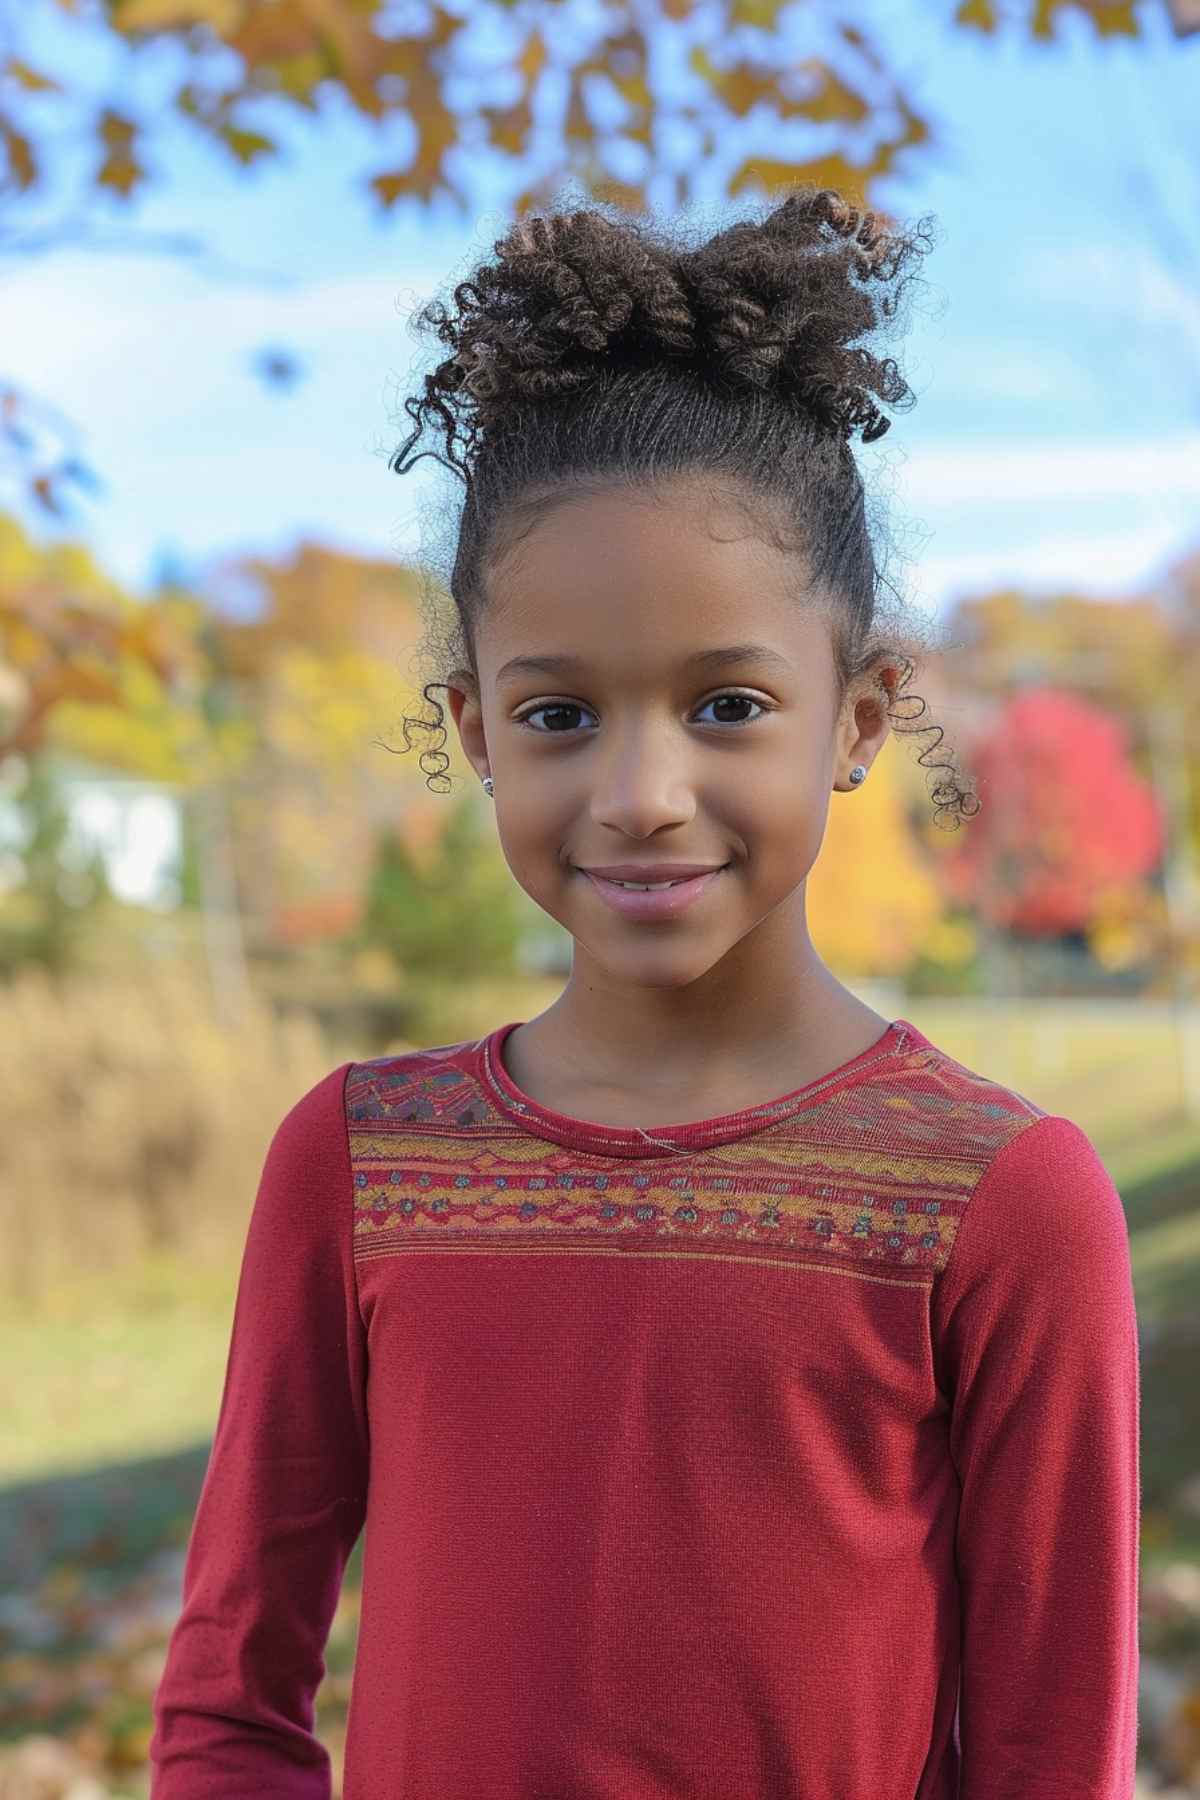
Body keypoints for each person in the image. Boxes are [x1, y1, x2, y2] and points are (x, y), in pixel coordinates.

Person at [149, 188, 1141, 1799]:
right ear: (473, 728)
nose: (642, 792)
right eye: (559, 717)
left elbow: (1048, 1756)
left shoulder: (1002, 1204)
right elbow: (226, 1703)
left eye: (729, 703)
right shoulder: (357, 1163)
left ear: (862, 716)